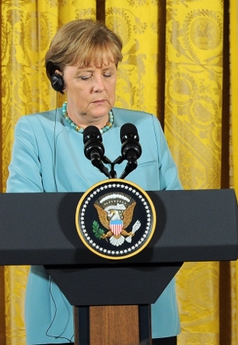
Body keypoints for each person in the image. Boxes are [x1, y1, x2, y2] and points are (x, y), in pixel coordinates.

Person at [6, 19, 181, 344]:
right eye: (85, 76)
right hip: (60, 311)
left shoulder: (145, 126)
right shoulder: (34, 131)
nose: (99, 86)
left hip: (149, 307)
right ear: (59, 79)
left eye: (108, 73)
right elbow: (23, 216)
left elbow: (178, 212)